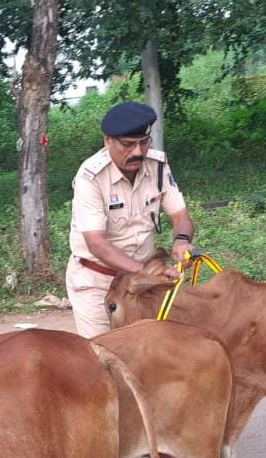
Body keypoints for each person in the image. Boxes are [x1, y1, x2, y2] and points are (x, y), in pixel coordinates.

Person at [66, 101, 195, 337]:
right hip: (98, 281)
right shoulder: (91, 177)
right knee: (104, 350)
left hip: (144, 284)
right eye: (128, 144)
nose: (137, 152)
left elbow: (180, 216)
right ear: (107, 140)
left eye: (143, 143)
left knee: (150, 346)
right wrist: (145, 271)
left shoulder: (157, 166)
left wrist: (182, 240)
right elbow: (97, 243)